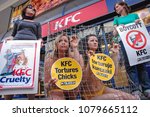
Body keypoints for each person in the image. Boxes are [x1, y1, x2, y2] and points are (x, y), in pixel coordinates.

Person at [80, 34, 137, 100]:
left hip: (102, 89)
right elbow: (84, 79)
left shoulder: (100, 57)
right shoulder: (82, 57)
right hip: (90, 96)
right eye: (92, 40)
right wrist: (90, 60)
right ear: (86, 43)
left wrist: (115, 54)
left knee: (131, 98)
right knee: (117, 98)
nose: (95, 42)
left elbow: (114, 73)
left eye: (96, 41)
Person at [4, 4, 43, 100]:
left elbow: (39, 36)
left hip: (32, 48)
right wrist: (10, 38)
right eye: (30, 8)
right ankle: (7, 99)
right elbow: (13, 34)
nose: (32, 9)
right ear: (24, 10)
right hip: (16, 46)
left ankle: (31, 100)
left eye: (34, 9)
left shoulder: (37, 24)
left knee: (31, 72)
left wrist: (40, 41)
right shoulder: (18, 22)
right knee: (13, 70)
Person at [113, 1, 150, 99]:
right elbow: (114, 34)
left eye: (117, 6)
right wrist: (117, 28)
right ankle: (135, 90)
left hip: (138, 43)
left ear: (123, 6)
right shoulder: (116, 19)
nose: (115, 9)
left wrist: (139, 22)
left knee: (141, 64)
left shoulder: (134, 16)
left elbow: (142, 26)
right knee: (130, 66)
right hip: (125, 43)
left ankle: (147, 89)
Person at [44, 33, 84, 100]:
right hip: (56, 91)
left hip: (72, 90)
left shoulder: (73, 56)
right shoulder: (49, 60)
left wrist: (74, 47)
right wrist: (50, 84)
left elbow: (80, 67)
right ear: (56, 45)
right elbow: (45, 85)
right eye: (60, 41)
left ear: (69, 45)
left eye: (65, 41)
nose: (63, 43)